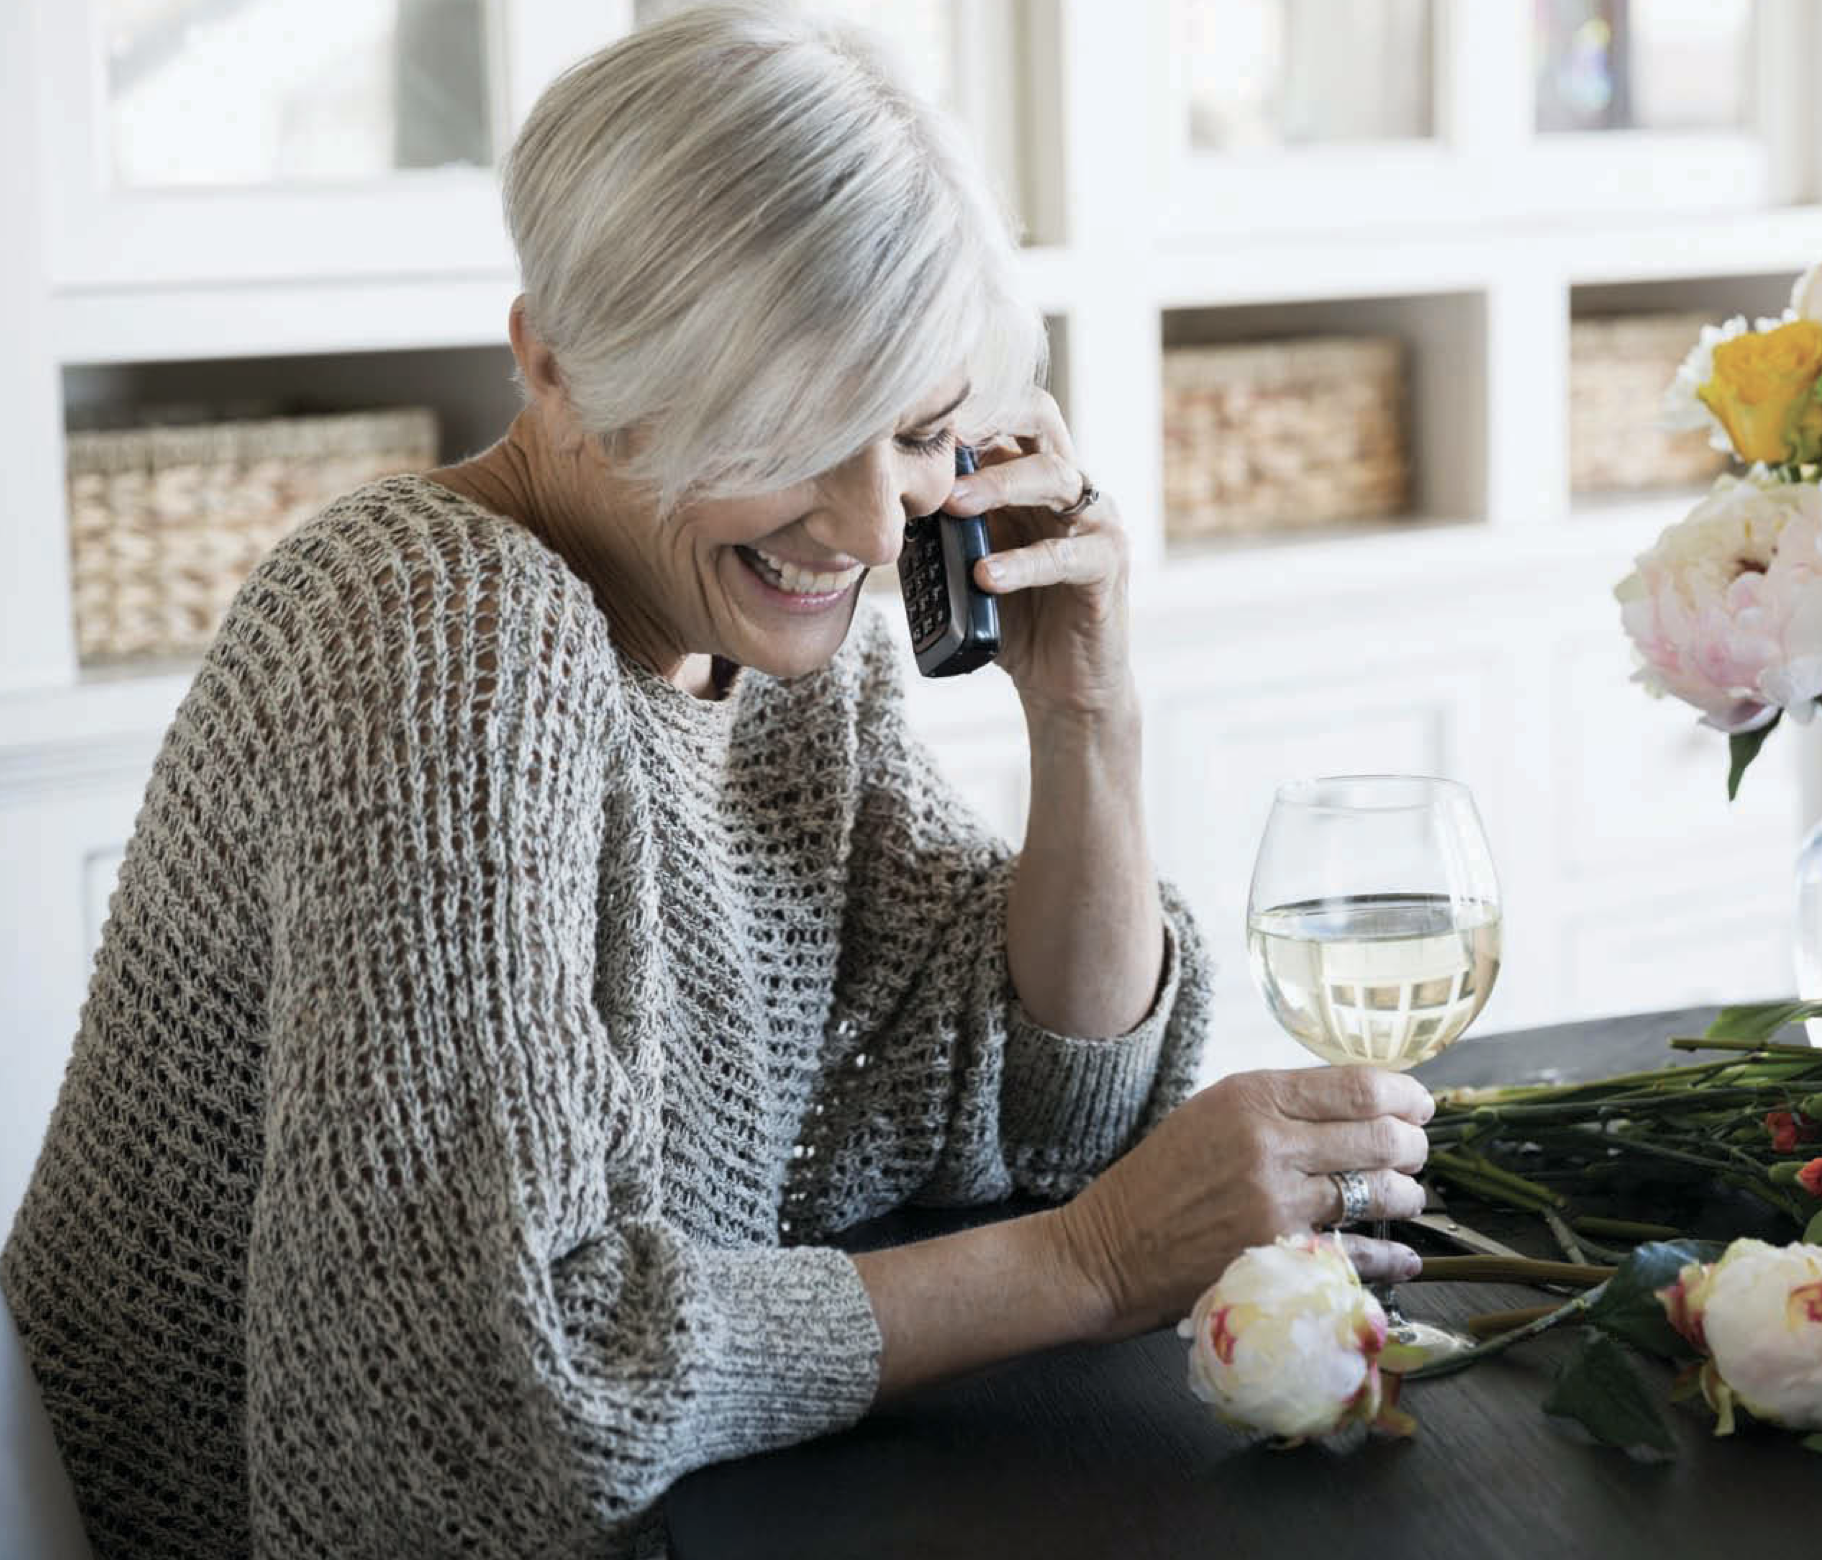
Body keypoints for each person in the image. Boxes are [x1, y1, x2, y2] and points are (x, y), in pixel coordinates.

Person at [0, 6, 1431, 1557]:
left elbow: (1038, 1109)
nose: (879, 529)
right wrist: (1089, 1265)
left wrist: (1086, 708)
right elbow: (488, 1403)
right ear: (552, 361)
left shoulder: (764, 630)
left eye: (917, 433)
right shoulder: (436, 624)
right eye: (790, 432)